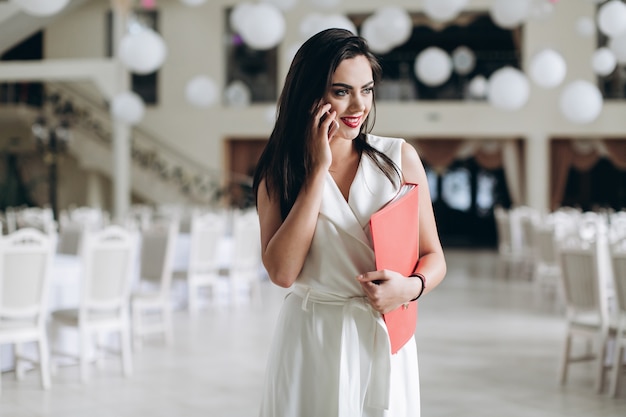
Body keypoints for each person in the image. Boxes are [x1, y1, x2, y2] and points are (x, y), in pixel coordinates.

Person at [253, 28, 446, 417]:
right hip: (312, 337)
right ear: (311, 95)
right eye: (341, 91)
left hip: (383, 332)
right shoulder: (281, 172)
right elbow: (282, 272)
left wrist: (409, 288)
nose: (359, 105)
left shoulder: (399, 158)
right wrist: (317, 173)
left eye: (367, 89)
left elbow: (434, 255)